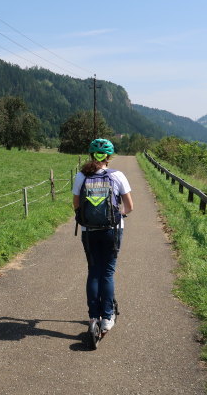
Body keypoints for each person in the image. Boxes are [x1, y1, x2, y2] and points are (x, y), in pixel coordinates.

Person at [72, 138, 133, 334]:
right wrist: (121, 215)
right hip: (112, 230)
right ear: (109, 157)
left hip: (88, 231)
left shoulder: (81, 176)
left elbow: (76, 205)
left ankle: (93, 315)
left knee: (93, 271)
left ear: (91, 155)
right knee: (107, 272)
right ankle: (107, 318)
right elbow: (130, 206)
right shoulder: (118, 175)